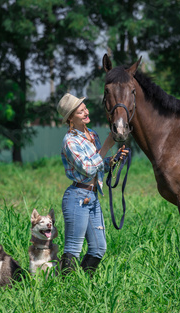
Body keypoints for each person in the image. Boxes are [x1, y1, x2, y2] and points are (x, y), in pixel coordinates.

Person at [57, 92, 126, 276]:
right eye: (80, 111)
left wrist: (112, 160)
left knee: (98, 248)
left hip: (92, 197)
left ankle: (83, 286)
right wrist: (106, 147)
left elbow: (98, 165)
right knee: (73, 248)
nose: (86, 112)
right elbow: (87, 168)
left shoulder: (92, 135)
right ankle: (65, 290)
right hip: (77, 198)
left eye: (85, 108)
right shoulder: (70, 141)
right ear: (71, 117)